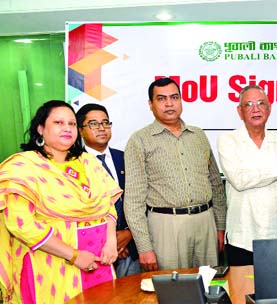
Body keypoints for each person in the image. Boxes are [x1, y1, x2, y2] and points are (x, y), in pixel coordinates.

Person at [0, 100, 121, 303]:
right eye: (58, 122)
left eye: (72, 124)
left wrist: (111, 242)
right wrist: (73, 255)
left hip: (99, 261)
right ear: (41, 129)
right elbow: (20, 224)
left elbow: (108, 207)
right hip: (50, 264)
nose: (67, 128)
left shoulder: (88, 162)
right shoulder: (23, 167)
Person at [124, 77, 226, 271]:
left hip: (205, 222)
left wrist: (219, 226)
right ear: (150, 104)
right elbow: (134, 201)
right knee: (172, 291)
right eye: (161, 99)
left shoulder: (198, 136)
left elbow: (216, 184)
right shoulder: (139, 140)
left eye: (174, 97)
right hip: (166, 227)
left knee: (209, 287)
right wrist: (144, 247)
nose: (169, 104)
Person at [217, 85, 277, 266]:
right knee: (242, 292)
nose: (256, 109)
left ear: (269, 108)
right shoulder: (228, 141)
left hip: (276, 234)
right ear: (240, 111)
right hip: (241, 237)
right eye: (249, 104)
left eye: (261, 103)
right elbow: (240, 180)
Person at [75, 103, 139, 277]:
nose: (102, 128)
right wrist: (109, 240)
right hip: (94, 251)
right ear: (80, 130)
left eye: (105, 122)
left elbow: (139, 198)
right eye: (93, 124)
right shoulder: (74, 163)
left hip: (130, 249)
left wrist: (128, 234)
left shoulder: (125, 158)